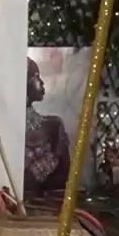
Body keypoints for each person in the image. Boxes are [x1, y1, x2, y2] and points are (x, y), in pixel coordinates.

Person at [24, 57, 72, 194]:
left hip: (45, 201)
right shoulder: (4, 128)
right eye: (36, 77)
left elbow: (65, 178)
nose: (42, 82)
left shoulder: (54, 126)